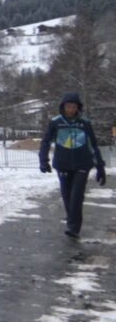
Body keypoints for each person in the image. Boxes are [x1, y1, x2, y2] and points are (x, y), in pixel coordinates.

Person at [39, 92, 106, 238]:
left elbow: (93, 145)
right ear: (63, 107)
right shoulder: (56, 122)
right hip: (63, 164)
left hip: (82, 164)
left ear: (78, 108)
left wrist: (100, 166)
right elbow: (45, 142)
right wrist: (43, 160)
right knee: (66, 195)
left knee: (77, 196)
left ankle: (73, 226)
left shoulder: (85, 123)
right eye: (68, 106)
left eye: (73, 107)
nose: (71, 109)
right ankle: (72, 219)